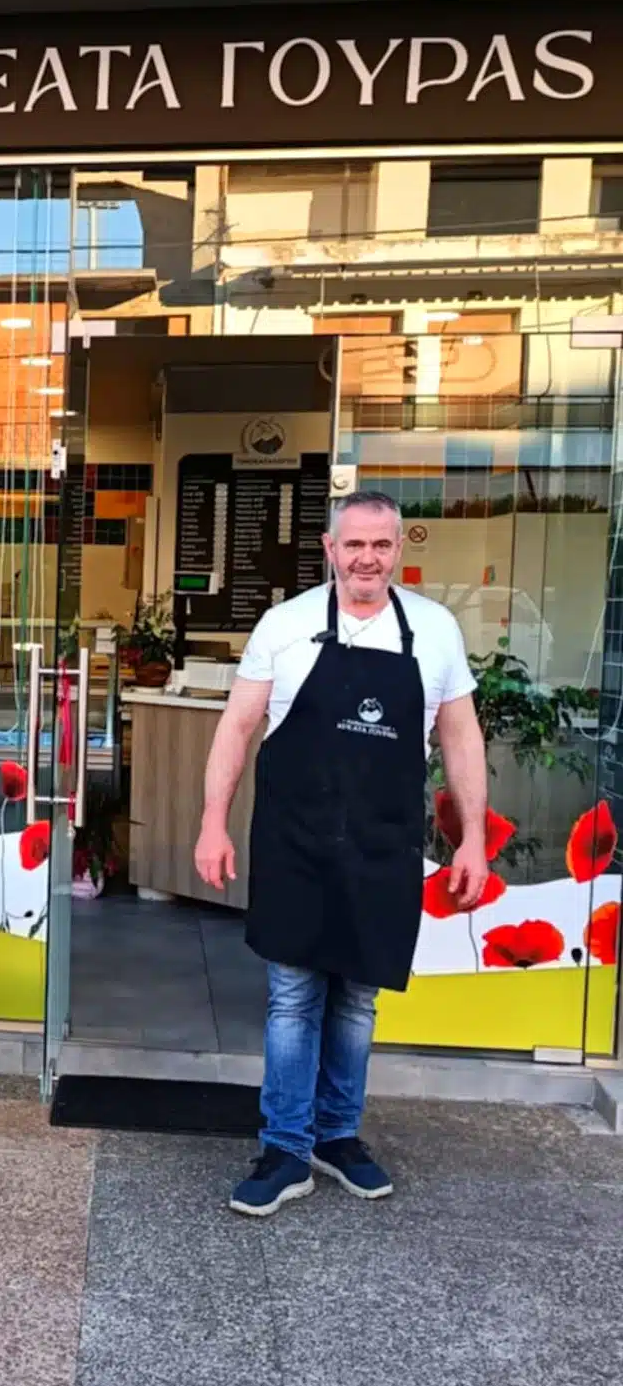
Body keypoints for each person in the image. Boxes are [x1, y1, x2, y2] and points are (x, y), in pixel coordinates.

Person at [194, 490, 489, 1217]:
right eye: (353, 544)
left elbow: (460, 737)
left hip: (383, 843)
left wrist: (473, 839)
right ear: (330, 549)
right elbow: (237, 727)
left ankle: (337, 1135)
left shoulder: (435, 629)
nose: (367, 558)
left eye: (381, 545)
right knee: (293, 997)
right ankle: (285, 1148)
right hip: (295, 839)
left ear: (398, 550)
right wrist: (212, 822)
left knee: (357, 998)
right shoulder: (286, 625)